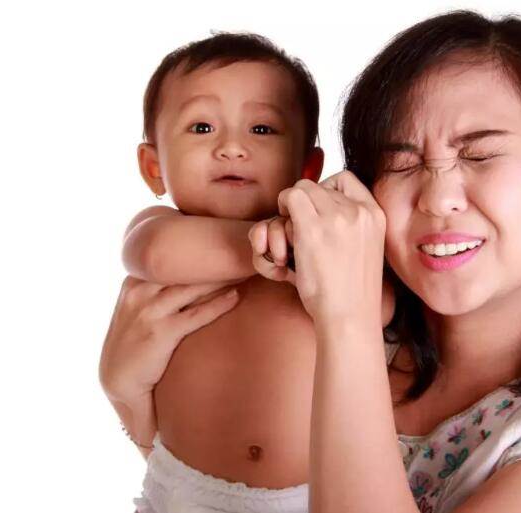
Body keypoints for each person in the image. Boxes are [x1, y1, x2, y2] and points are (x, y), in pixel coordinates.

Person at [101, 10, 521, 513]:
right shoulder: (355, 317)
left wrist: (347, 320)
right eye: (402, 163)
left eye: (480, 155)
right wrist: (128, 396)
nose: (437, 198)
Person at [101, 32, 392, 513]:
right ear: (153, 167)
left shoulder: (326, 244)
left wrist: (310, 240)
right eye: (201, 127)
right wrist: (274, 243)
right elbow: (154, 255)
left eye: (262, 129)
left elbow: (376, 308)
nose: (232, 147)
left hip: (312, 497)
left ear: (308, 167)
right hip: (180, 492)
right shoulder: (163, 228)